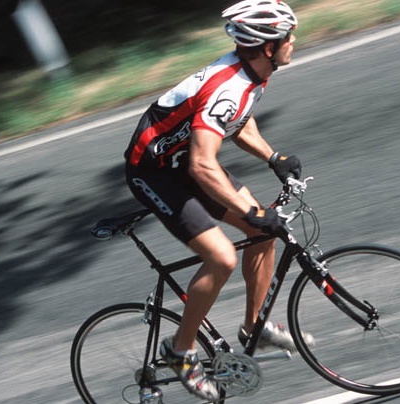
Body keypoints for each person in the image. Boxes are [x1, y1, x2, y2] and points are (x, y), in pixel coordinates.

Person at [123, 0, 309, 400]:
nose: (294, 40)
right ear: (266, 47)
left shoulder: (254, 73)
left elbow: (237, 122)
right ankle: (180, 350)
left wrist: (272, 156)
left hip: (187, 165)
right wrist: (249, 213)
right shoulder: (229, 86)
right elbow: (203, 166)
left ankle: (253, 329)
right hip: (154, 173)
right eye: (286, 37)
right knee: (222, 256)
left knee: (263, 234)